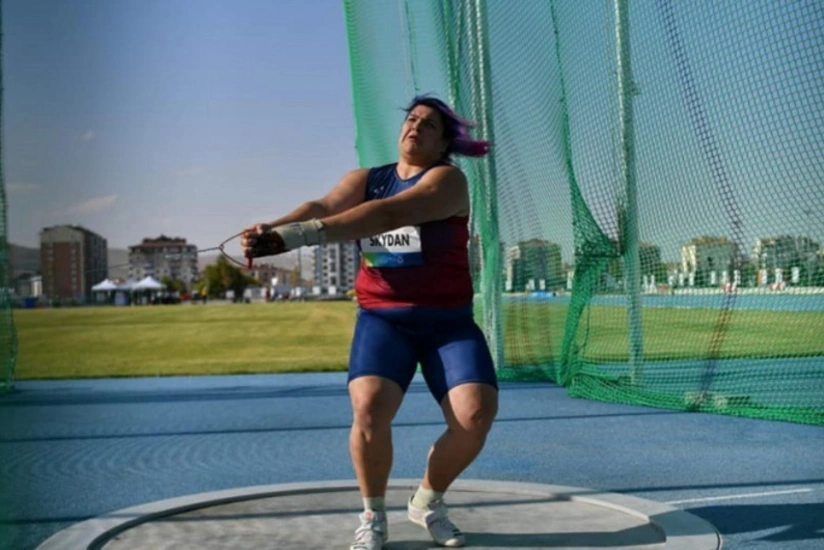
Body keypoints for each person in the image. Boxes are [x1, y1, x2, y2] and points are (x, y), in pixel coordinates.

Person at [241, 95, 499, 549]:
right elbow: (322, 206)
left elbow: (391, 214)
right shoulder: (366, 180)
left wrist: (294, 238)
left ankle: (427, 501)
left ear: (443, 145)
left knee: (475, 415)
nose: (415, 127)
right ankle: (372, 515)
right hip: (384, 320)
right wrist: (271, 231)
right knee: (369, 409)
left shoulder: (448, 181)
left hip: (447, 323)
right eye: (411, 119)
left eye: (429, 125)